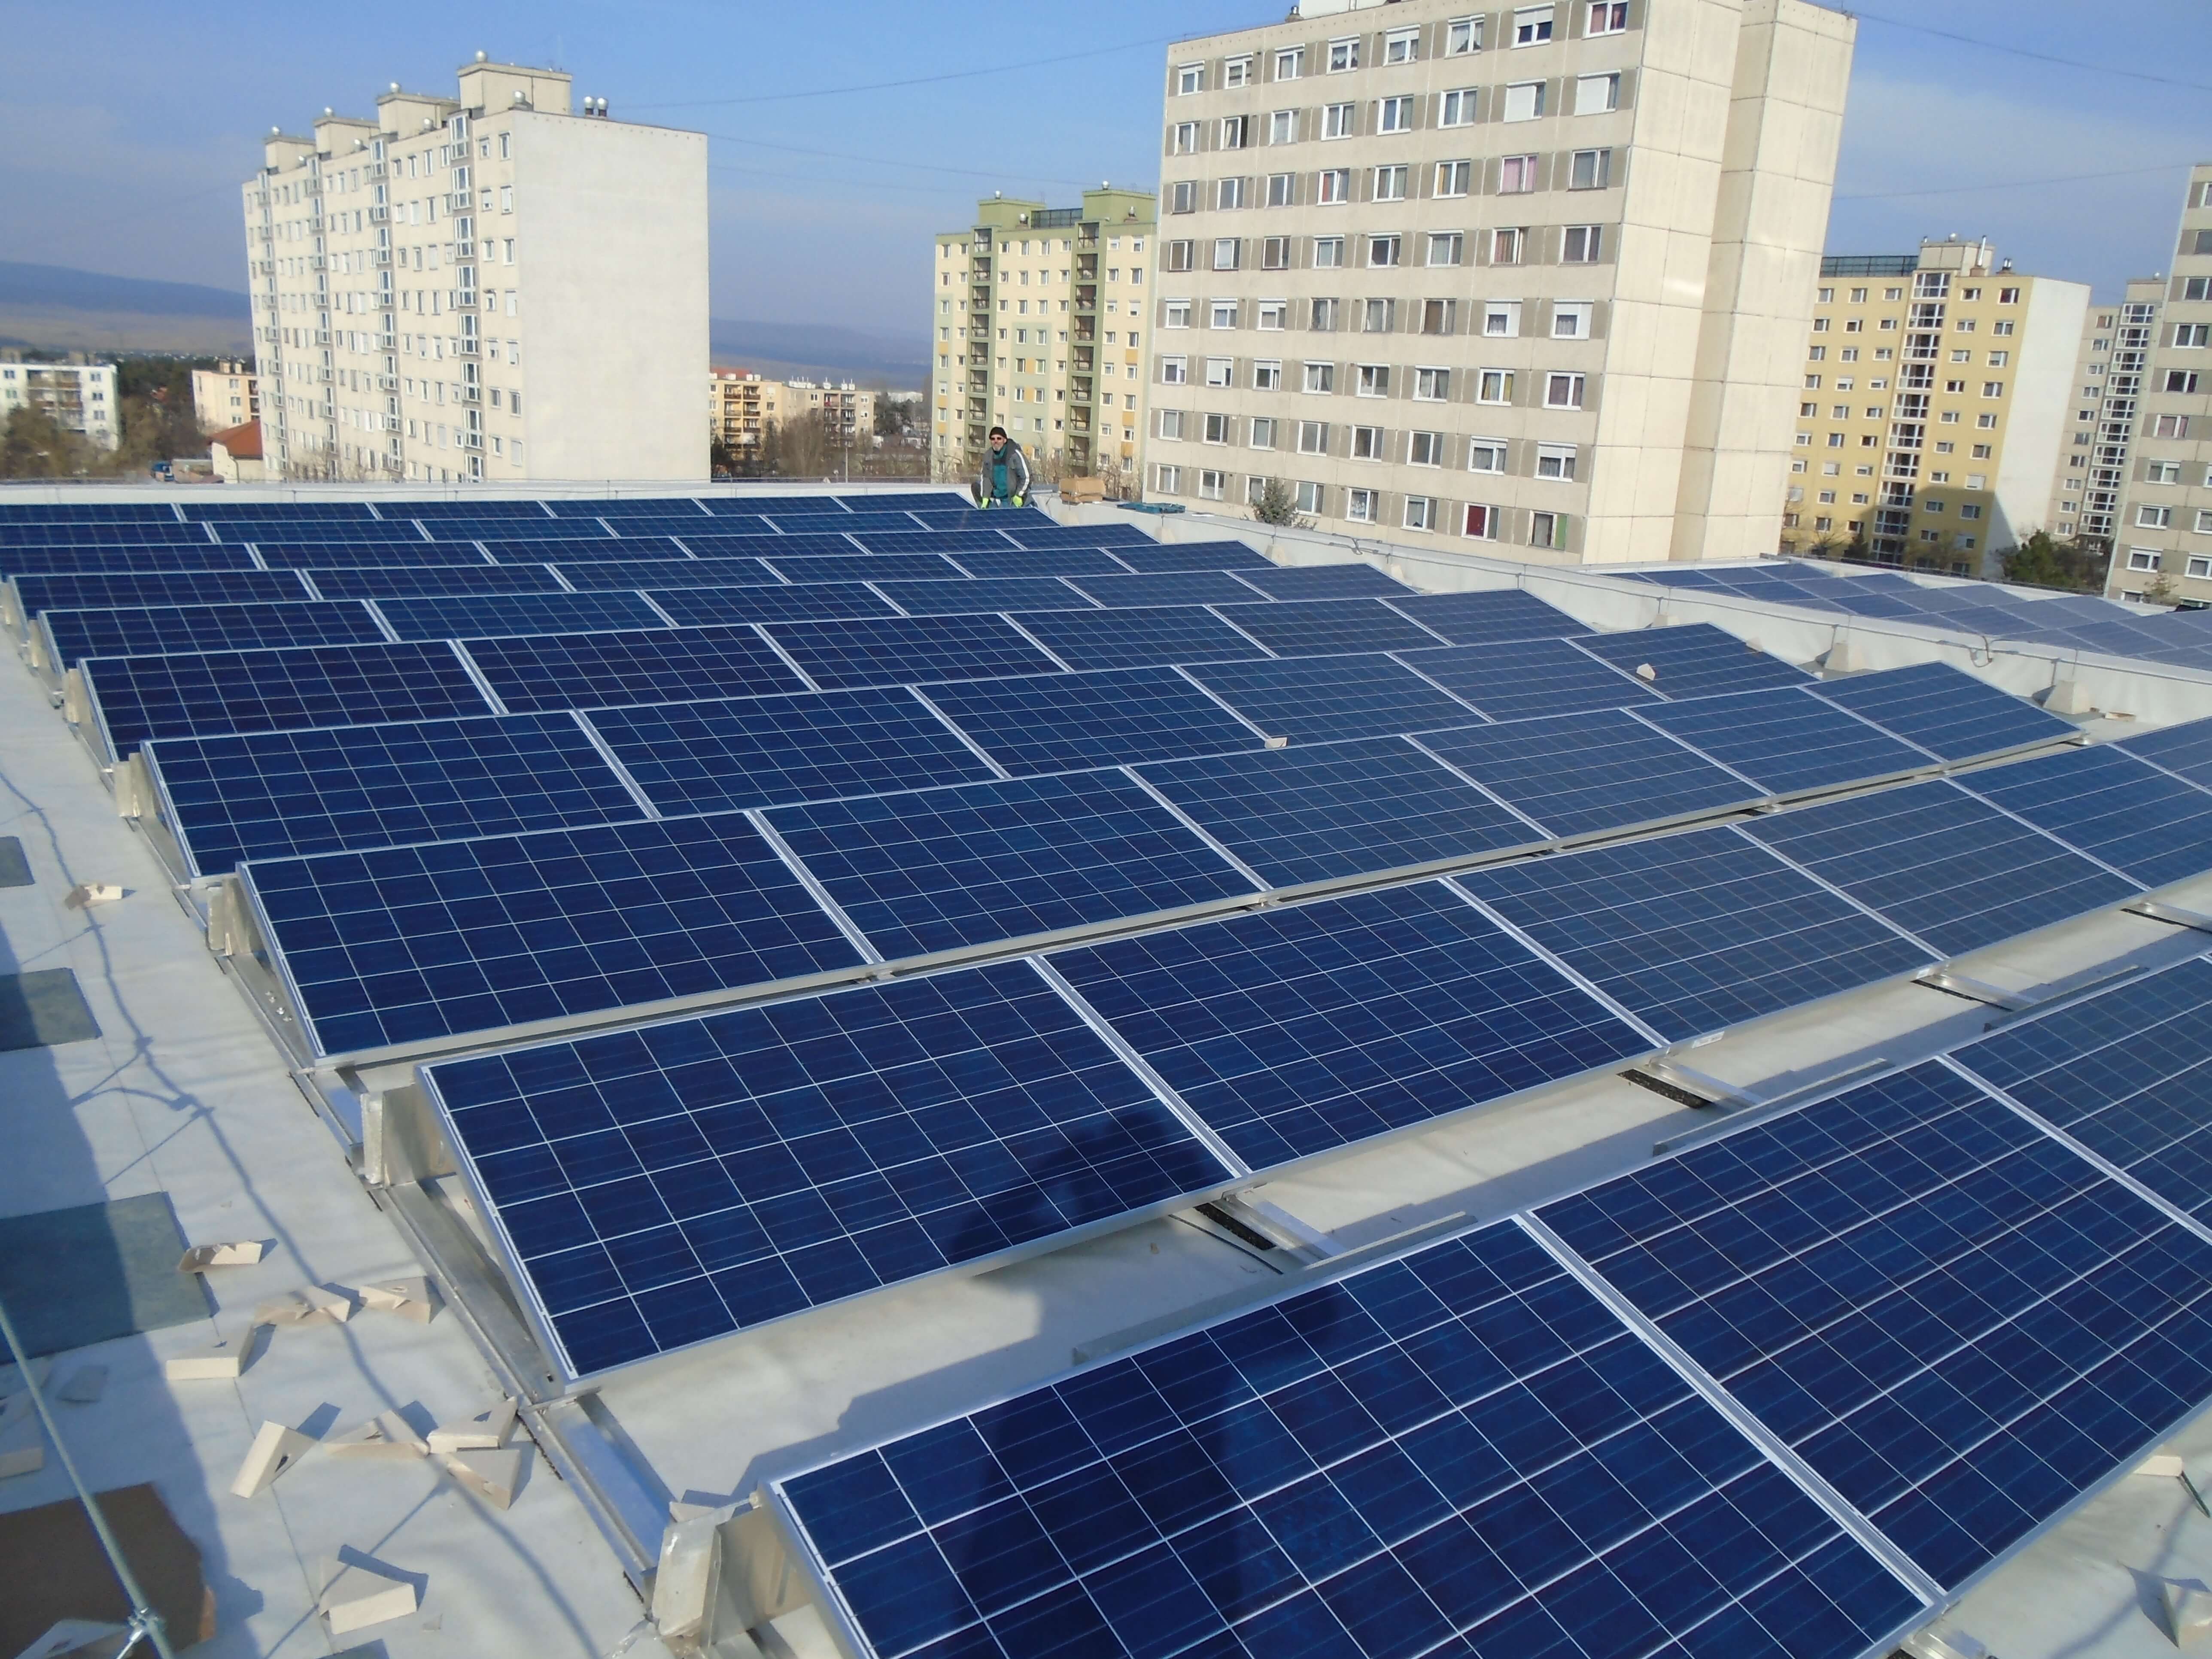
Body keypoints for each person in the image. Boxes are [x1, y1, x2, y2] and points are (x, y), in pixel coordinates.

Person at [976, 426, 1030, 507]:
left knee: (1007, 514)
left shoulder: (1015, 455)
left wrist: (1019, 495)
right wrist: (985, 497)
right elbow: (986, 478)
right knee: (975, 487)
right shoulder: (988, 456)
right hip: (996, 496)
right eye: (993, 439)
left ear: (1005, 440)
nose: (996, 441)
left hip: (1012, 497)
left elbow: (1026, 477)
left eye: (999, 439)